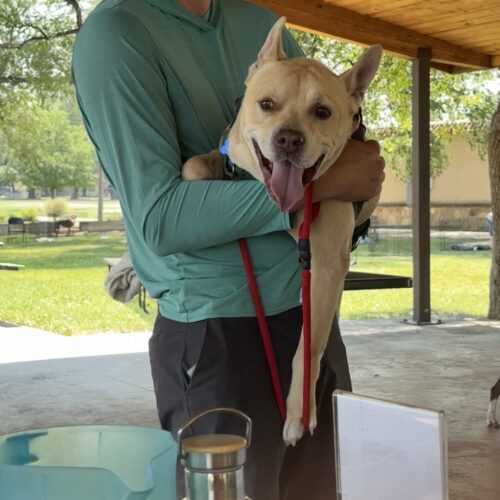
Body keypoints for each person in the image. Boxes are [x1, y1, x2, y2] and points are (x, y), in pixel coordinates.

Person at [72, 1, 385, 498]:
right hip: (220, 334)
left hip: (314, 320)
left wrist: (360, 192)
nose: (286, 129)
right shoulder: (118, 34)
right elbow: (159, 219)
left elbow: (340, 144)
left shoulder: (260, 22)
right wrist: (320, 190)